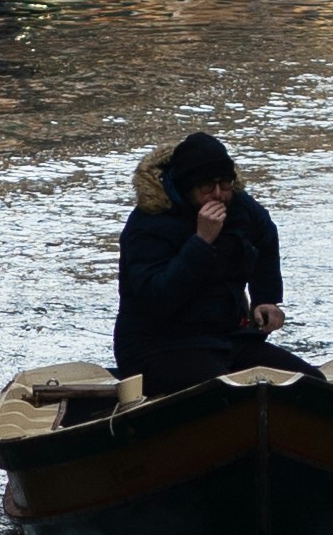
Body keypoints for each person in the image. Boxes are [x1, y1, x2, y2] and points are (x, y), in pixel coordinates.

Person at [115, 128, 289, 390]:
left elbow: (265, 235)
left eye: (225, 184)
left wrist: (265, 298)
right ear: (187, 187)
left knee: (307, 382)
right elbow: (157, 297)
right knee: (223, 391)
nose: (218, 194)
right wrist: (201, 241)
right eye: (207, 187)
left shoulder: (239, 207)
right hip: (156, 347)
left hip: (226, 338)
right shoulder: (148, 223)